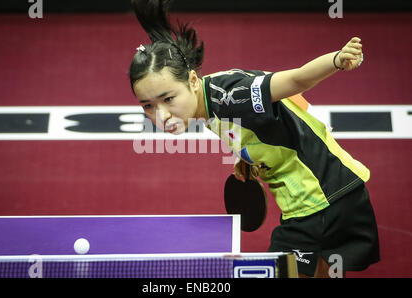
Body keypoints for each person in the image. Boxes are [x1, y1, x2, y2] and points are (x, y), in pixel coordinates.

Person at [129, 0, 380, 277]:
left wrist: (337, 60)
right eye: (148, 105)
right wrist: (250, 158)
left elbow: (295, 82)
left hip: (319, 199)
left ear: (191, 80)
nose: (161, 115)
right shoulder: (208, 100)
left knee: (281, 272)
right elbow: (291, 111)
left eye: (168, 99)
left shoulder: (230, 96)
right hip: (334, 190)